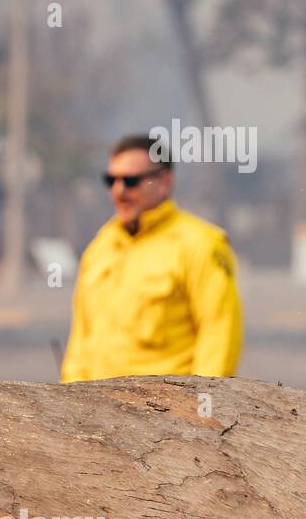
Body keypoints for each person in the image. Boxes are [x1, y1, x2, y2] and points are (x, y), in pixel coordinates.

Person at [61, 134, 243, 382]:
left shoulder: (200, 244)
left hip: (164, 414)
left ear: (165, 181)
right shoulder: (100, 248)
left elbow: (218, 335)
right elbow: (80, 342)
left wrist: (200, 413)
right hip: (96, 413)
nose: (119, 191)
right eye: (111, 180)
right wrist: (68, 403)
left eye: (131, 181)